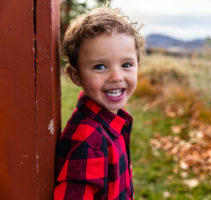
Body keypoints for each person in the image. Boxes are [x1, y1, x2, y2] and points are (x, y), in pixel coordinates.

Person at [54, 5, 144, 200]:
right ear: (76, 76)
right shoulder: (89, 139)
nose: (116, 77)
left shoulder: (109, 123)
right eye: (100, 66)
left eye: (126, 64)